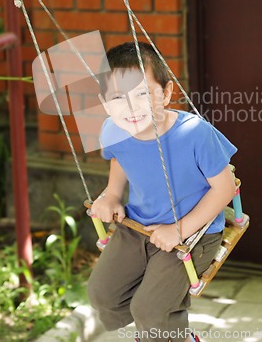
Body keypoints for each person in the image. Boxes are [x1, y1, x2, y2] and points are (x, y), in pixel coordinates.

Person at [87, 42, 237, 342]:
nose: (130, 108)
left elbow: (225, 189)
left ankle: (169, 334)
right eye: (118, 97)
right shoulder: (112, 129)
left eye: (143, 94)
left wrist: (178, 229)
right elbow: (119, 158)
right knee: (102, 294)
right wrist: (113, 194)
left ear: (166, 93)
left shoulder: (194, 133)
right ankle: (158, 333)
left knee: (150, 309)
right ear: (104, 103)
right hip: (140, 225)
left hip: (194, 232)